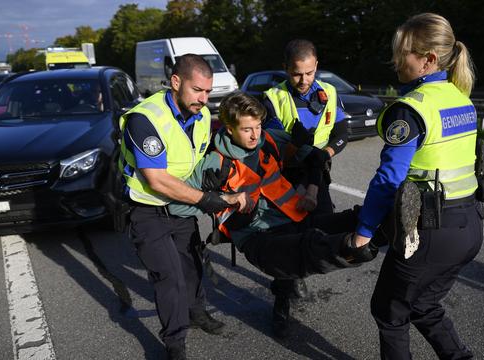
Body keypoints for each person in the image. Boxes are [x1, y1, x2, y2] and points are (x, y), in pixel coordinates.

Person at [168, 91, 377, 339]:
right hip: (256, 236)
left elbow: (314, 158)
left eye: (258, 126)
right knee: (303, 249)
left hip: (290, 216)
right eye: (247, 129)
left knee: (340, 221)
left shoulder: (269, 139)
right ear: (229, 129)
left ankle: (383, 221)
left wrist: (308, 176)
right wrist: (221, 198)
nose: (255, 135)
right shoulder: (214, 163)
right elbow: (176, 206)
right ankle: (350, 248)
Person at [352, 13, 484, 359]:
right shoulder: (460, 99)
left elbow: (388, 178)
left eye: (403, 53)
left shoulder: (412, 109)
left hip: (429, 231)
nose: (396, 60)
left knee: (389, 312)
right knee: (424, 304)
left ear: (427, 60)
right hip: (469, 226)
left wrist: (363, 231)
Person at [118, 54, 250, 360]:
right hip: (148, 211)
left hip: (182, 208)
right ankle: (175, 344)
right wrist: (207, 200)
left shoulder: (201, 116)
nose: (204, 99)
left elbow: (198, 157)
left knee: (192, 267)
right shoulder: (145, 119)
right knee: (170, 279)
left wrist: (215, 171)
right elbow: (157, 180)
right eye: (197, 90)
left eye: (208, 91)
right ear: (176, 82)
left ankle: (196, 313)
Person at [263, 39, 348, 216]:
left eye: (309, 73)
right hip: (287, 178)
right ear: (285, 67)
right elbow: (273, 154)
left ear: (316, 65)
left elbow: (342, 134)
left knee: (325, 228)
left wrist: (325, 154)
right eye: (296, 74)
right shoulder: (273, 99)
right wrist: (295, 146)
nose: (303, 80)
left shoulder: (330, 92)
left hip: (318, 174)